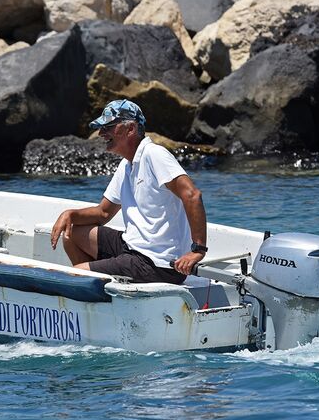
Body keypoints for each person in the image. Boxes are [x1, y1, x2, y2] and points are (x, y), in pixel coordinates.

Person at [50, 99, 208, 284]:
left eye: (108, 126)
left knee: (76, 274)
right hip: (131, 248)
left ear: (130, 129)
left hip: (158, 264)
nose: (101, 133)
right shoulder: (126, 164)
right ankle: (100, 287)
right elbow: (103, 213)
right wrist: (69, 214)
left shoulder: (154, 154)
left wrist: (198, 250)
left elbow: (192, 195)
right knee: (72, 233)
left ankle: (92, 281)